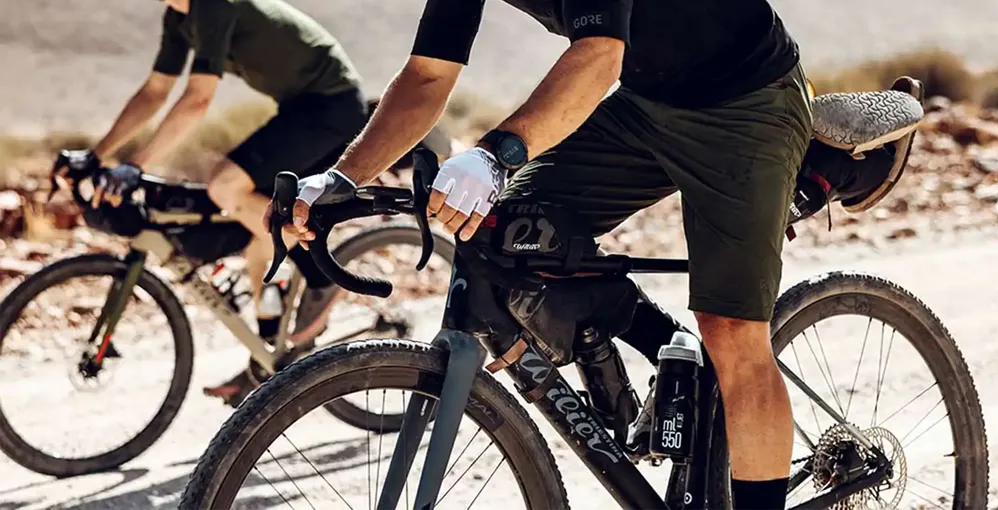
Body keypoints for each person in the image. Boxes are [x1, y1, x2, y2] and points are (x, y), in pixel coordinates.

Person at [282, 0, 917, 507]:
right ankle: (663, 348)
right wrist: (341, 179)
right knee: (509, 229)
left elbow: (599, 54)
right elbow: (426, 77)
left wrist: (496, 153)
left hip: (744, 103)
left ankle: (815, 173)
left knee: (731, 331)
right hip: (647, 105)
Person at [80, 0, 369, 406]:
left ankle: (321, 280)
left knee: (226, 187)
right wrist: (98, 155)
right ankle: (270, 359)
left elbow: (197, 100)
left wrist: (135, 165)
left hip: (331, 106)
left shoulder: (213, 5)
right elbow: (156, 91)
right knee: (258, 240)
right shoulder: (179, 18)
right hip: (300, 108)